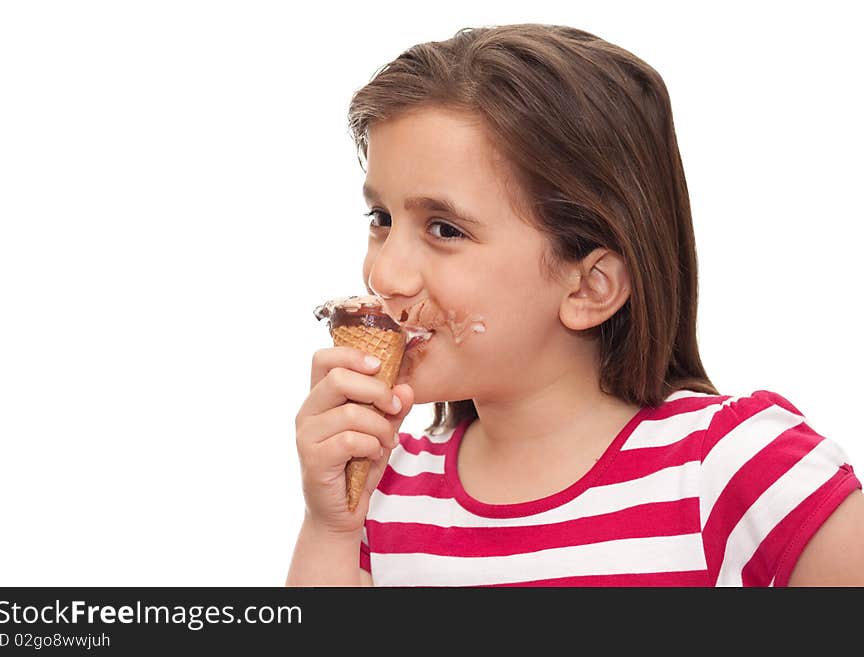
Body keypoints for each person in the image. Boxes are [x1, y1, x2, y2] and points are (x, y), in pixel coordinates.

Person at [286, 23, 864, 586]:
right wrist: (330, 529)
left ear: (589, 288)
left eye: (444, 228)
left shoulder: (743, 469)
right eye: (380, 220)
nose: (384, 273)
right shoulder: (384, 498)